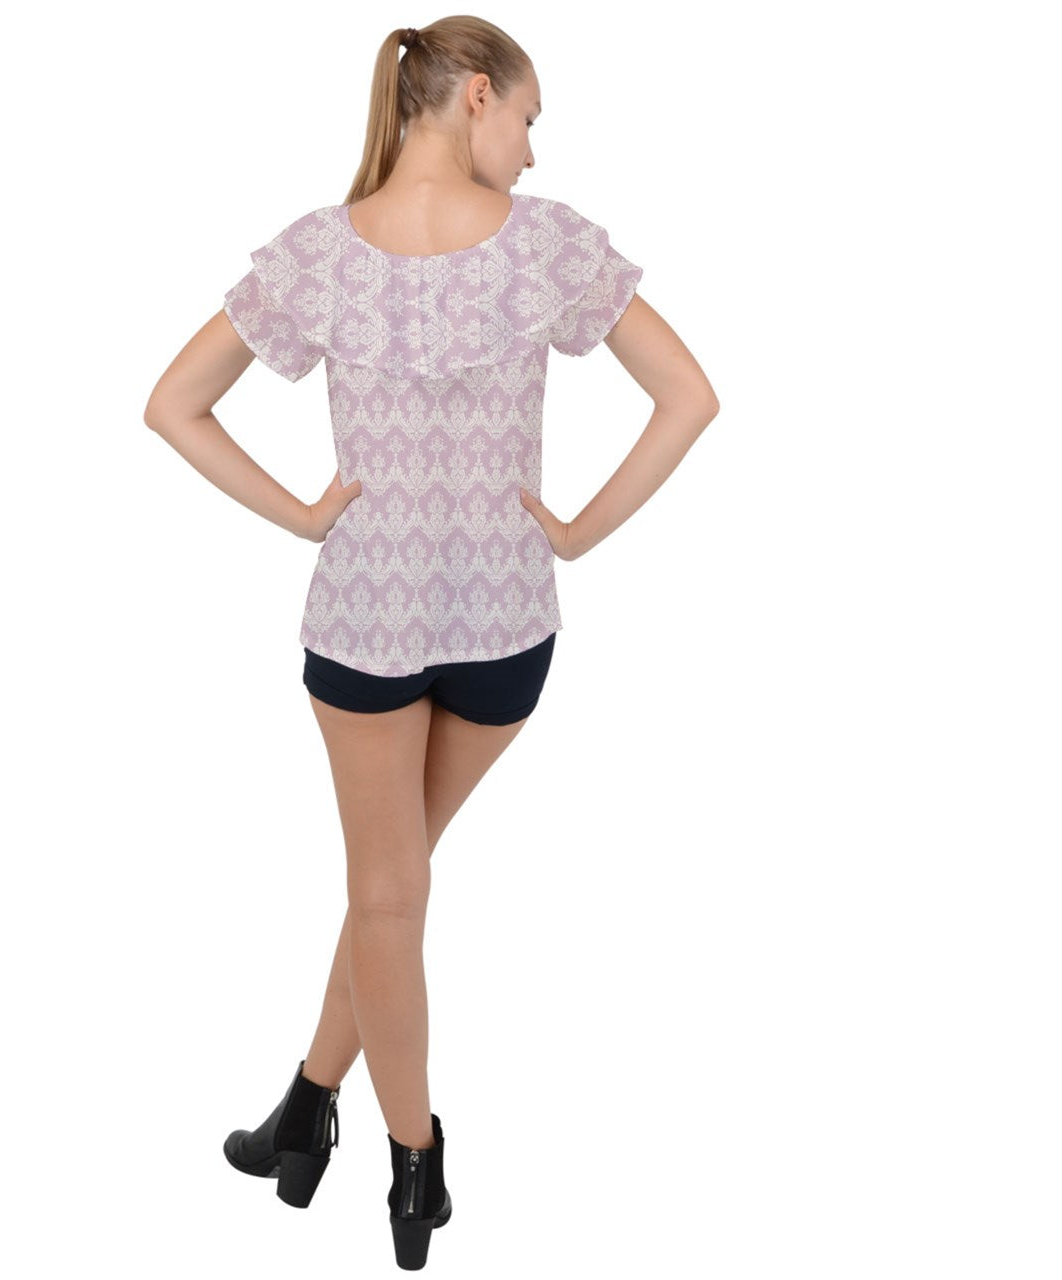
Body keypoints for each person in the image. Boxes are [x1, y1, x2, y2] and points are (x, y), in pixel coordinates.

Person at [143, 15, 718, 1269]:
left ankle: (414, 1165)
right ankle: (306, 1108)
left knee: (383, 894)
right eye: (530, 117)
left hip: (365, 620)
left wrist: (303, 515)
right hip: (505, 626)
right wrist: (573, 535)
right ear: (475, 97)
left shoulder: (318, 251)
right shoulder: (548, 245)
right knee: (391, 892)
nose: (532, 147)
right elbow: (689, 397)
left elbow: (171, 404)